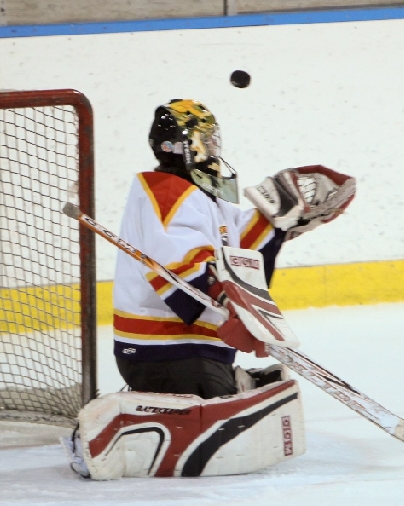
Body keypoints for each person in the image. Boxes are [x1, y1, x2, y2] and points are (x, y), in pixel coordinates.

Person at [111, 99, 354, 399]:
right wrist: (230, 300)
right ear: (184, 146)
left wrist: (284, 221)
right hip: (163, 351)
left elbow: (237, 247)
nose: (214, 148)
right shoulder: (164, 191)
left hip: (190, 349)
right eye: (206, 140)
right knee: (235, 414)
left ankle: (229, 385)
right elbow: (182, 259)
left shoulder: (202, 198)